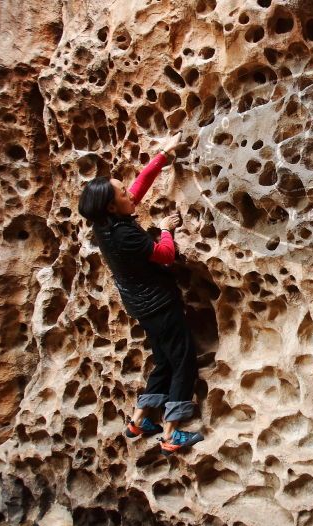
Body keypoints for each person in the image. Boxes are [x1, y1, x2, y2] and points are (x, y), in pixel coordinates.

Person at [77, 132, 204, 456]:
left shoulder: (105, 223)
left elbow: (137, 189)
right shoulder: (124, 236)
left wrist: (163, 154)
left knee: (162, 361)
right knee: (183, 360)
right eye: (122, 192)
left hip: (139, 304)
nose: (129, 193)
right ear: (111, 204)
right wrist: (165, 228)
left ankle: (139, 420)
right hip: (159, 304)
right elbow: (165, 255)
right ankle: (172, 432)